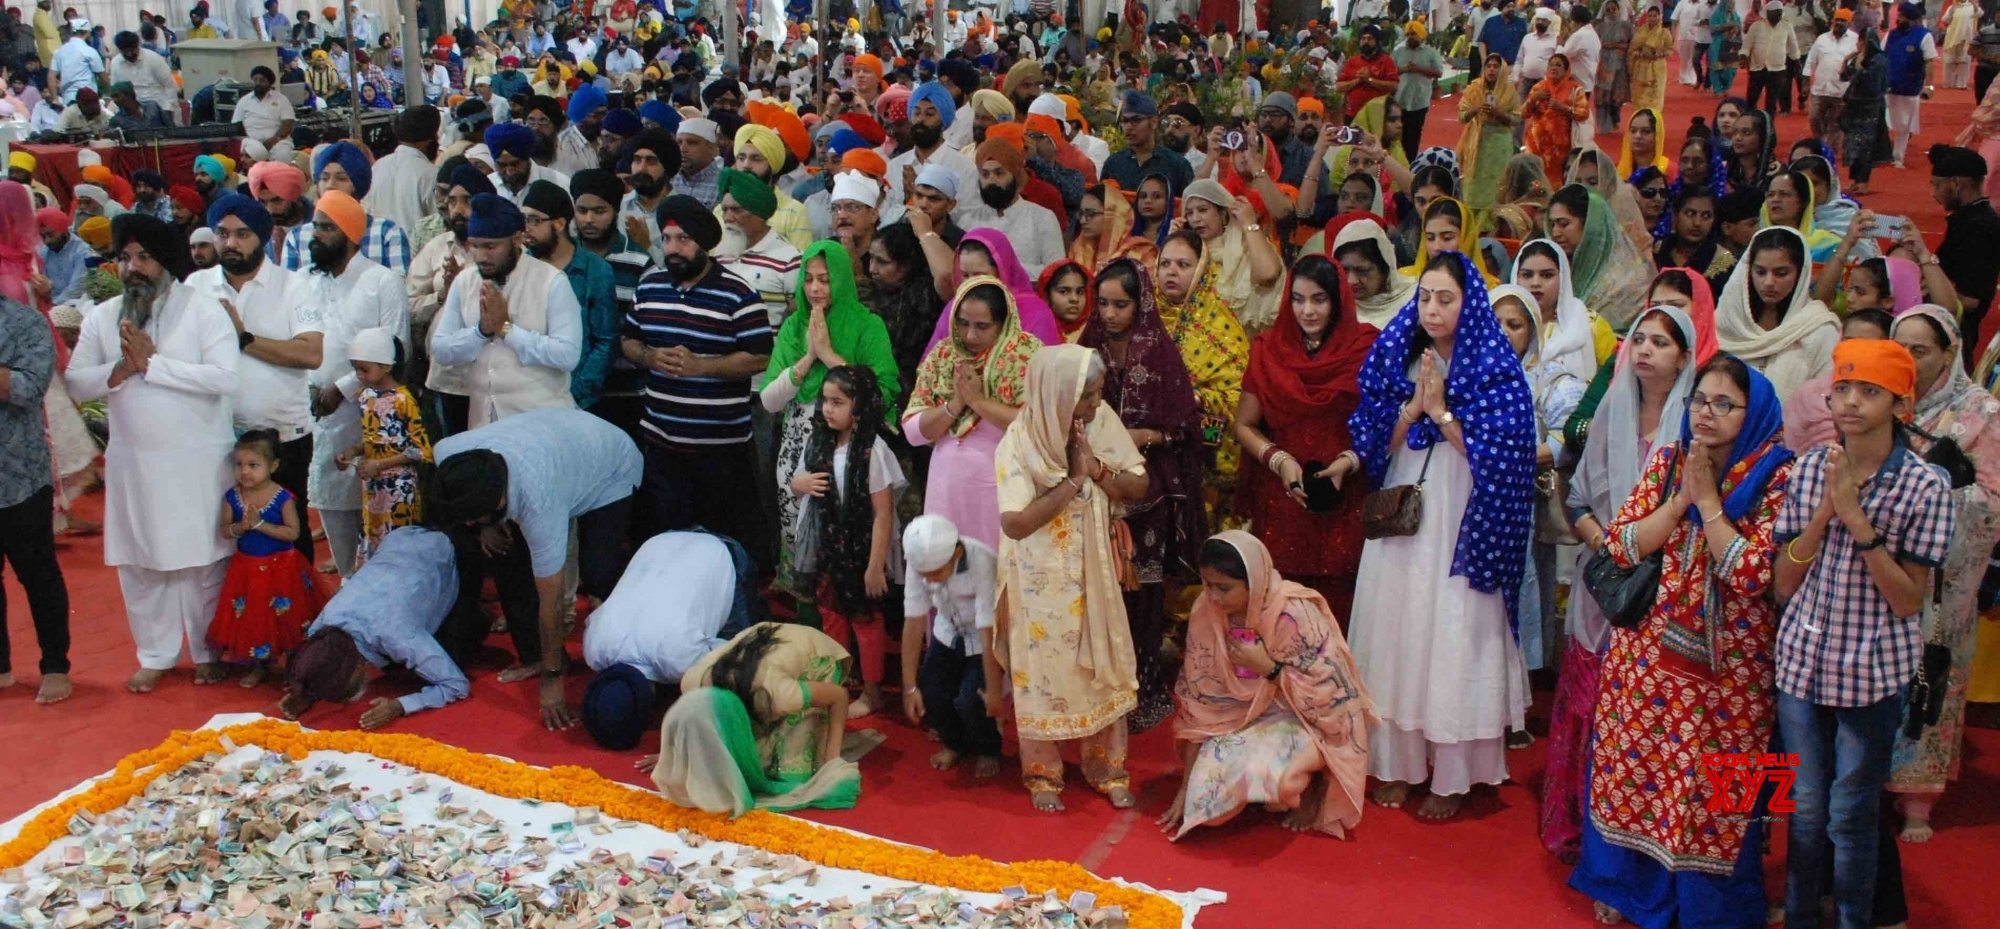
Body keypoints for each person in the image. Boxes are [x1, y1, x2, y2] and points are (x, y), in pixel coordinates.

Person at [1568, 354, 1794, 927]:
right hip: (1644, 661)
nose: (1707, 414)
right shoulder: (1670, 459)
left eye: (1725, 404)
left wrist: (1712, 504)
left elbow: (1753, 575)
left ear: (1755, 412)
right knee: (1634, 771)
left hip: (1733, 677)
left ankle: (1718, 906)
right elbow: (1619, 546)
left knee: (1722, 790)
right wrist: (1680, 501)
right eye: (1700, 401)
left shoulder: (1779, 475)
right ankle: (1626, 888)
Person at [1346, 251, 1537, 822]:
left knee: (1451, 628)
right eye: (1424, 296)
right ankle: (1399, 764)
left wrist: (1444, 413)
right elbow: (1370, 438)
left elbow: (1506, 460)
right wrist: (1410, 411)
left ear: (1469, 302)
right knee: (1398, 625)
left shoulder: (1494, 368)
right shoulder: (1397, 352)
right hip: (1406, 506)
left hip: (1464, 515)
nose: (1431, 309)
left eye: (1445, 298)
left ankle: (1453, 776)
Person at [1773, 339, 1956, 929]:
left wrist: (1857, 520)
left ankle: (1855, 919)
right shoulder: (1808, 468)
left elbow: (1908, 599)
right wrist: (1828, 511)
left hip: (1873, 669)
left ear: (1901, 403)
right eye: (1843, 388)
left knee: (1851, 814)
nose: (1850, 402)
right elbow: (1782, 583)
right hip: (1802, 662)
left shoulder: (1924, 486)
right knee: (1803, 810)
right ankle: (1802, 916)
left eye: (1868, 391)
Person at [1542, 304, 1699, 862]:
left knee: (1645, 719)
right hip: (1605, 581)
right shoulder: (1611, 412)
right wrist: (1606, 545)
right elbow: (1578, 497)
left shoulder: (1695, 425)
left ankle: (1640, 843)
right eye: (1641, 340)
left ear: (1685, 356)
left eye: (1662, 342)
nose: (1648, 351)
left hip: (1668, 590)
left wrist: (1639, 548)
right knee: (1590, 701)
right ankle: (1585, 830)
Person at [65, 215, 236, 693]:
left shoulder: (203, 310)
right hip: (134, 462)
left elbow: (224, 377)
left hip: (197, 459)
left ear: (166, 262)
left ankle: (207, 651)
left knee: (204, 559)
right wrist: (122, 368)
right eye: (125, 258)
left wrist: (154, 365)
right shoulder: (103, 317)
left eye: (144, 257)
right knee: (141, 563)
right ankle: (155, 655)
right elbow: (76, 383)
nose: (133, 267)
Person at [991, 342, 1150, 813]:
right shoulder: (1018, 443)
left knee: (1102, 666)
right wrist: (1073, 482)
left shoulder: (1098, 423)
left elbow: (1138, 485)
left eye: (1099, 392)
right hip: (1038, 580)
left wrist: (1096, 469)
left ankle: (1107, 768)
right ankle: (1043, 774)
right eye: (1088, 396)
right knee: (1042, 673)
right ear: (1058, 396)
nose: (1097, 404)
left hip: (1093, 570)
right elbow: (1015, 523)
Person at [429, 408, 641, 729]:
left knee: (599, 573)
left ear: (497, 504)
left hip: (610, 467)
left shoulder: (539, 502)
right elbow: (442, 460)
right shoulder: (454, 456)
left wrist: (552, 679)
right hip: (555, 440)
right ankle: (534, 653)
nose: (471, 523)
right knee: (503, 552)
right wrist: (484, 527)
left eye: (477, 517)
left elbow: (551, 601)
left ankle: (628, 659)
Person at [1158, 530, 1374, 840]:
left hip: (1298, 718)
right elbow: (1201, 703)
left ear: (1255, 582)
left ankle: (1312, 786)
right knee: (1205, 808)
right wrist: (1186, 787)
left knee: (1272, 776)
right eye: (1207, 585)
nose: (1214, 597)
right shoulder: (1206, 612)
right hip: (1234, 717)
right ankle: (1261, 790)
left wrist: (1269, 668)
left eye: (1224, 588)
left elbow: (1333, 696)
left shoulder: (1294, 613)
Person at [1883, 306, 2000, 841]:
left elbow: (1992, 501)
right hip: (1881, 567)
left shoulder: (1981, 412)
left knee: (1935, 671)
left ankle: (1917, 794)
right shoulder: (1882, 398)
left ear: (1950, 353)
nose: (1906, 359)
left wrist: (1932, 495)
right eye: (1898, 346)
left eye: (1920, 349)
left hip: (1944, 578)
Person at [1077, 258, 1206, 732]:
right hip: (1097, 488)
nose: (1109, 314)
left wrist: (1142, 436)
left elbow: (1186, 431)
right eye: (1103, 303)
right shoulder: (1088, 346)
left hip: (1150, 495)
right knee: (1101, 589)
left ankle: (1145, 691)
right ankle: (1103, 692)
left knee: (1144, 594)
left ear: (1141, 304)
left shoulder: (1160, 353)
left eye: (1120, 305)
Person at [622, 195, 774, 550]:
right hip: (661, 443)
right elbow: (628, 340)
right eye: (668, 239)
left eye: (684, 240)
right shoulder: (649, 286)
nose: (673, 248)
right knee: (665, 540)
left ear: (704, 243)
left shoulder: (738, 293)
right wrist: (649, 356)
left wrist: (701, 366)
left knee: (719, 544)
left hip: (720, 450)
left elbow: (760, 357)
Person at [1234, 254, 1378, 623]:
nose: (1308, 311)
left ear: (1339, 300)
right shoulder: (1268, 350)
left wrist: (1348, 461)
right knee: (1283, 612)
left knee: (1339, 613)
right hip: (1284, 496)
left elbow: (1383, 422)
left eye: (1319, 299)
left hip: (1343, 496)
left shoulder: (1366, 349)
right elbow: (1244, 425)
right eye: (1298, 299)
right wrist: (1280, 461)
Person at [761, 240, 899, 585]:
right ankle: (808, 625)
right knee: (799, 538)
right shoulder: (794, 326)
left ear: (840, 279)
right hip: (798, 446)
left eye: (824, 279)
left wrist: (828, 354)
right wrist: (807, 358)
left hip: (851, 447)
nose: (815, 288)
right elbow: (769, 401)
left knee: (848, 539)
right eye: (808, 280)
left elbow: (880, 394)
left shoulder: (868, 326)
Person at [785, 363, 903, 719]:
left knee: (864, 620)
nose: (827, 409)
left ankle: (872, 691)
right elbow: (798, 480)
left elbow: (883, 513)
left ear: (860, 407)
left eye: (838, 402)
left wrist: (874, 565)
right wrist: (799, 484)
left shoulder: (873, 450)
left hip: (860, 547)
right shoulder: (819, 440)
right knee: (832, 615)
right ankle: (837, 683)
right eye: (825, 400)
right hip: (827, 545)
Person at [300, 191, 408, 579]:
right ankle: (348, 582)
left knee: (377, 513)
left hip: (369, 414)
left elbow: (395, 346)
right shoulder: (304, 282)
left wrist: (342, 389)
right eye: (316, 226)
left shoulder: (382, 281)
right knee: (331, 504)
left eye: (327, 228)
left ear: (350, 233)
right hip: (315, 411)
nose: (317, 236)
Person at [651, 623, 861, 815]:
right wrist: (675, 751)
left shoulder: (778, 695)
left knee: (792, 776)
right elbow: (692, 721)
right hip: (765, 648)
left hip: (816, 653)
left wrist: (831, 760)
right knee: (748, 757)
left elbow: (839, 697)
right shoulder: (694, 682)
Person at [579, 530, 759, 750]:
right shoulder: (594, 650)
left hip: (720, 553)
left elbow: (731, 651)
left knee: (748, 657)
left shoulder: (678, 661)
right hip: (660, 541)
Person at [276, 525, 469, 729]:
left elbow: (456, 684)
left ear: (359, 666)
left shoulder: (398, 636)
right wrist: (306, 693)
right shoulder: (324, 627)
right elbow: (318, 659)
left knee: (460, 647)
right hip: (396, 540)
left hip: (443, 550)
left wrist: (400, 705)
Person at [903, 277, 1042, 550]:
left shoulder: (1028, 356)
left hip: (1004, 490)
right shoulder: (943, 355)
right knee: (945, 569)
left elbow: (1037, 427)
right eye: (962, 323)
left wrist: (977, 402)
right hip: (946, 488)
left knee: (994, 574)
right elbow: (913, 432)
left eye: (982, 326)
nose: (969, 336)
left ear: (1004, 323)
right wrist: (955, 404)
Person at [0, 206, 73, 704]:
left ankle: (55, 665)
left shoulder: (24, 324)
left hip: (18, 472)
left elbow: (28, 389)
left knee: (38, 573)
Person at [206, 428, 321, 686]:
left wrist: (260, 525)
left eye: (253, 465)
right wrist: (240, 528)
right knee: (253, 619)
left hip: (281, 569)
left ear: (273, 465)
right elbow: (225, 530)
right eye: (239, 465)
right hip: (247, 569)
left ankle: (293, 663)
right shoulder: (232, 497)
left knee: (287, 617)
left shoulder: (282, 497)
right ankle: (259, 664)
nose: (245, 471)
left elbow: (293, 532)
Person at [900, 514, 1003, 778]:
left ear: (957, 553)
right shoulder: (917, 562)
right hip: (947, 631)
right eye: (926, 576)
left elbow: (987, 627)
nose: (931, 581)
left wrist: (994, 689)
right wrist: (909, 687)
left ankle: (987, 749)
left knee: (972, 699)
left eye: (936, 574)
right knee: (932, 692)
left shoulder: (982, 560)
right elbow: (913, 623)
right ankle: (954, 744)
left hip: (983, 639)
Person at [1714, 226, 1840, 400]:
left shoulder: (1819, 329)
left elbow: (1825, 401)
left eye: (1781, 273)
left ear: (1801, 273)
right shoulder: (1727, 320)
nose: (1768, 282)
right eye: (1760, 272)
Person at [336, 328, 429, 562]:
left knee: (398, 546)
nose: (359, 375)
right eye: (356, 369)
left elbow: (422, 450)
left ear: (386, 366)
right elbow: (375, 437)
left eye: (364, 369)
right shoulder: (365, 396)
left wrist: (381, 464)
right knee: (374, 538)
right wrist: (354, 451)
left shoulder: (404, 400)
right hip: (373, 486)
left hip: (399, 487)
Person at [1546, 184, 1655, 333]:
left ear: (1591, 225)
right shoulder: (1555, 270)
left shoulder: (1631, 282)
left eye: (1564, 224)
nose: (1555, 232)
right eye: (1552, 225)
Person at [1928, 144, 2000, 361]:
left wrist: (1922, 276)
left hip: (1952, 340)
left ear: (1956, 183)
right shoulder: (1968, 219)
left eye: (1937, 185)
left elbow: (1970, 300)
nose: (1934, 194)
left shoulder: (1977, 228)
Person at [1459, 53, 1523, 214]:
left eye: (1496, 66)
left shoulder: (1509, 92)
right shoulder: (1474, 88)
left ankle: (1495, 219)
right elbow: (1462, 116)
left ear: (1502, 70)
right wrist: (1476, 109)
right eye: (1489, 66)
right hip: (1476, 142)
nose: (1492, 70)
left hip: (1499, 145)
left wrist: (1499, 114)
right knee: (1473, 185)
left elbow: (1516, 119)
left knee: (1498, 183)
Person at [1332, 217, 1419, 330]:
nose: (1351, 281)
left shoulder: (1414, 299)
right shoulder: (1333, 308)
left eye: (1362, 271)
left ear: (1385, 269)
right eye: (1344, 270)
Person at [1885, 2, 1940, 168]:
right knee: (1884, 122)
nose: (1898, 18)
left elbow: (1930, 62)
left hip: (1910, 89)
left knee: (1904, 126)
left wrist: (1929, 86)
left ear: (1910, 18)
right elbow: (1881, 55)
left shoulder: (1924, 36)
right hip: (1888, 87)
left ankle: (1898, 157)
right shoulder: (1892, 35)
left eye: (1901, 16)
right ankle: (1884, 153)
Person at [1524, 54, 1589, 188]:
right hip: (1536, 145)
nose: (1554, 68)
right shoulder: (1539, 88)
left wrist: (1564, 108)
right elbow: (1523, 113)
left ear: (1566, 70)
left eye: (1558, 65)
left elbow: (1584, 113)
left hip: (1561, 149)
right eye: (1551, 64)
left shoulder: (1575, 89)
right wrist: (1534, 99)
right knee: (1535, 181)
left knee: (1557, 183)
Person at [1628, 3, 1672, 114]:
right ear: (1646, 17)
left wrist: (1660, 54)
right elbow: (1632, 49)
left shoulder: (1664, 32)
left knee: (1656, 95)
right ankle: (1639, 117)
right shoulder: (1640, 31)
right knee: (1639, 96)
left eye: (1655, 16)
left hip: (1657, 68)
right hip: (1640, 68)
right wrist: (1639, 53)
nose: (1652, 18)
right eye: (1650, 16)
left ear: (1659, 16)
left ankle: (1654, 118)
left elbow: (1670, 50)